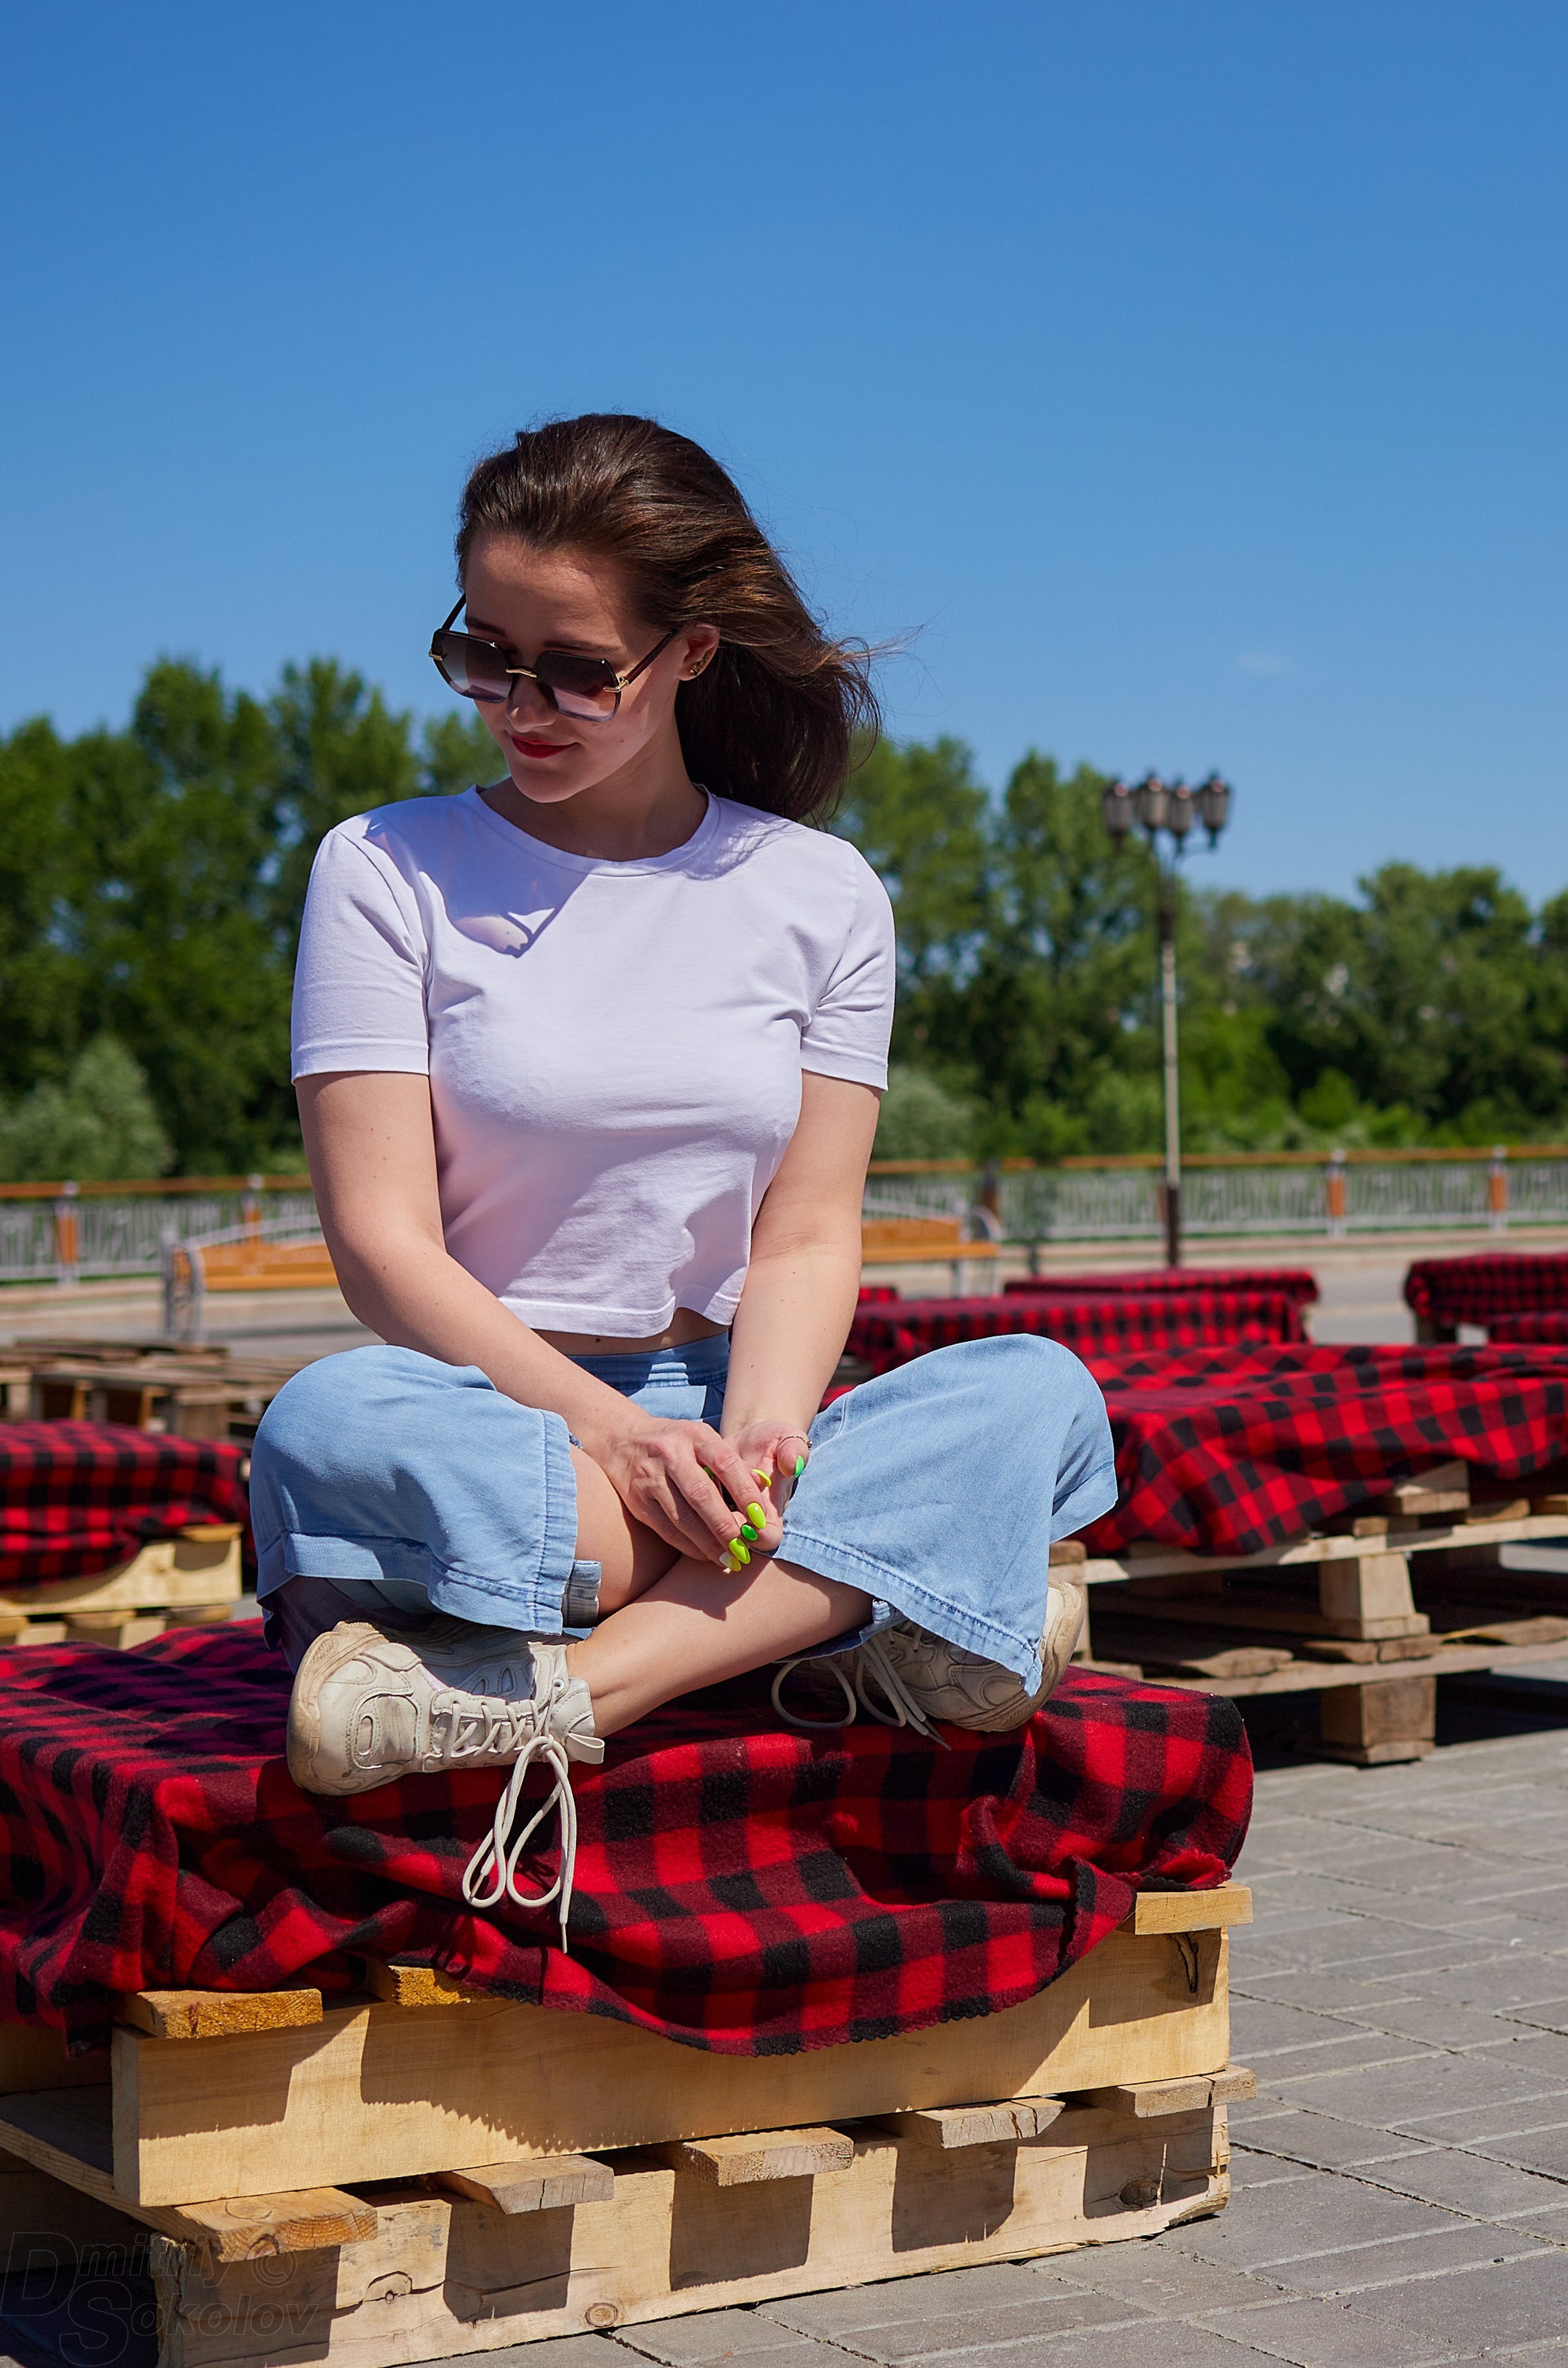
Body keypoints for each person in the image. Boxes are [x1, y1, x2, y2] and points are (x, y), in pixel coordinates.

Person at [250, 414, 1116, 1929]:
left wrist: (767, 1442)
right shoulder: (382, 869)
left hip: (730, 1423)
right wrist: (626, 1445)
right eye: (484, 653)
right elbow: (385, 1251)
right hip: (505, 1428)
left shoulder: (818, 894)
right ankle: (854, 1613)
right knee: (327, 1423)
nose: (524, 702)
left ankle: (565, 1690)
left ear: (693, 652)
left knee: (1038, 1392)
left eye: (578, 667)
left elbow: (804, 1235)